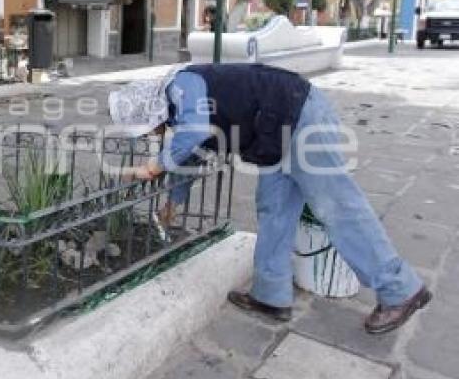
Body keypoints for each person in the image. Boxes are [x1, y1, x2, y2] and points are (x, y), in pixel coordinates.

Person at [109, 63, 431, 334]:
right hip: (274, 135)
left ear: (148, 110)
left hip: (300, 118)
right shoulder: (179, 113)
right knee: (273, 209)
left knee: (337, 208)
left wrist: (153, 166)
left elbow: (193, 133)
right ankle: (271, 297)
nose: (152, 135)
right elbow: (190, 155)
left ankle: (400, 289)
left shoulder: (181, 84)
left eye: (148, 130)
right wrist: (171, 206)